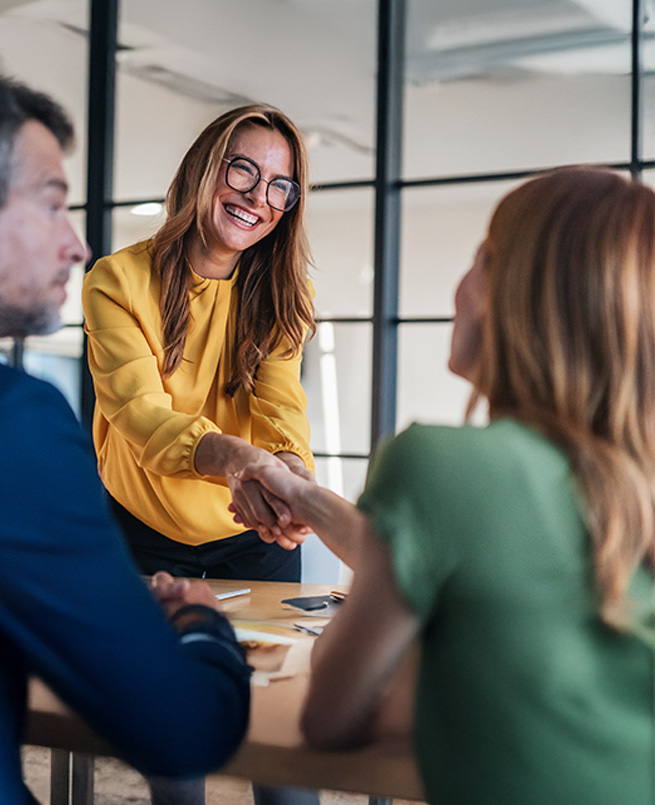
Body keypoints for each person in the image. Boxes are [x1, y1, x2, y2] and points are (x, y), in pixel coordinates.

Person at [235, 167, 655, 805]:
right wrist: (304, 496)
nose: (458, 288)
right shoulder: (627, 481)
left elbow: (331, 717)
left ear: (512, 293)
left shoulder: (436, 461)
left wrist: (420, 672)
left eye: (480, 260)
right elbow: (436, 548)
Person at [0, 76, 251, 804]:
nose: (74, 243)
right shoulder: (19, 424)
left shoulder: (270, 297)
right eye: (52, 203)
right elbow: (182, 730)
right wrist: (201, 620)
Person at [82, 106, 317, 804]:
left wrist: (290, 481)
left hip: (254, 533)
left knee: (280, 740)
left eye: (280, 184)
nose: (258, 196)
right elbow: (141, 414)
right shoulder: (116, 282)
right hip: (146, 532)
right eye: (243, 168)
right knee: (174, 743)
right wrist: (244, 462)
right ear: (204, 170)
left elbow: (281, 410)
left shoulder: (282, 293)